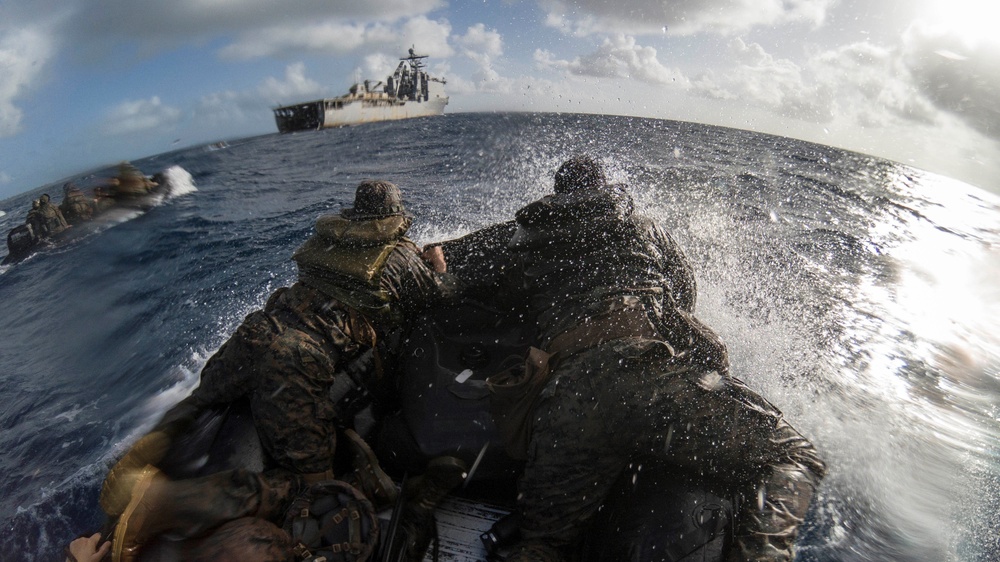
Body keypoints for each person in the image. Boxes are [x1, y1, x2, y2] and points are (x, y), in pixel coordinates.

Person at [99, 180, 456, 562]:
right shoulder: (400, 254)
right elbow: (441, 294)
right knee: (310, 487)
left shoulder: (331, 239)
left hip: (257, 332)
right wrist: (438, 266)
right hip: (294, 360)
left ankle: (140, 461)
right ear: (394, 217)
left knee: (200, 399)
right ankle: (169, 503)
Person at [490, 156, 826, 562]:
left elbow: (455, 273)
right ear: (603, 189)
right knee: (794, 455)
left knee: (542, 545)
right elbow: (684, 292)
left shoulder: (523, 238)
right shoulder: (644, 227)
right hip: (648, 383)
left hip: (569, 403)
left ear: (557, 195)